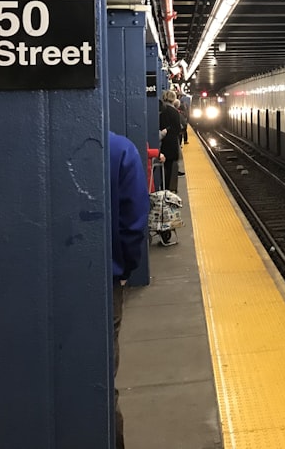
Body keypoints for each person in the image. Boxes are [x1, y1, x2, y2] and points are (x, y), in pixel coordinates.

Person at [109, 131, 150, 449]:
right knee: (100, 374)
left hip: (31, 286)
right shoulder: (121, 150)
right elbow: (134, 223)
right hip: (104, 283)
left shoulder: (29, 142)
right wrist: (127, 269)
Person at [158, 91, 183, 192]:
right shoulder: (174, 111)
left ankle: (163, 187)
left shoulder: (161, 110)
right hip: (171, 143)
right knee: (170, 168)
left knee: (163, 168)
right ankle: (168, 189)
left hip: (162, 142)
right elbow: (177, 129)